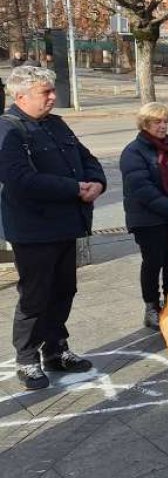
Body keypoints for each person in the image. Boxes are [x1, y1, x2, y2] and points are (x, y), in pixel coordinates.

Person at [0, 66, 105, 390]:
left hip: (65, 224)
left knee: (63, 290)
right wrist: (74, 188)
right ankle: (27, 358)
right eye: (45, 92)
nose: (53, 97)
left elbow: (86, 158)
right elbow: (20, 181)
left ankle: (56, 349)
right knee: (35, 296)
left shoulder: (56, 124)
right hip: (33, 229)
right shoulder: (9, 129)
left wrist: (97, 183)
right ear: (21, 96)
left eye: (51, 90)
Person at [120, 102, 168, 329]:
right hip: (148, 219)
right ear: (145, 124)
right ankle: (151, 307)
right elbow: (142, 188)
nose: (163, 126)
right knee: (153, 262)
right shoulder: (133, 152)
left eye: (165, 121)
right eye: (157, 122)